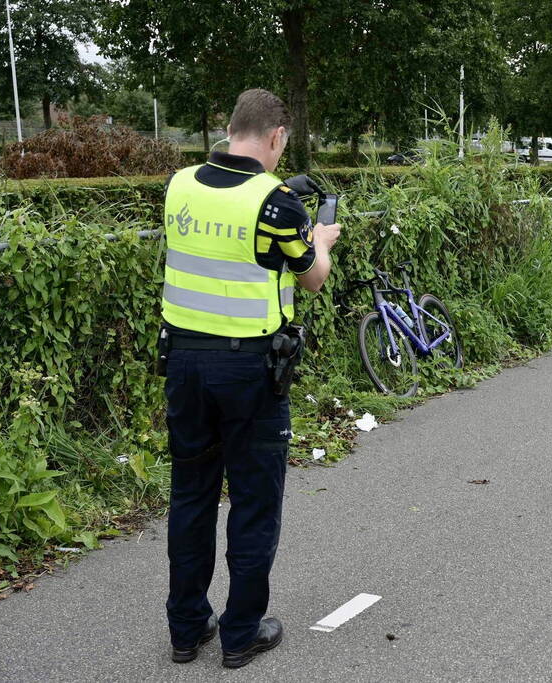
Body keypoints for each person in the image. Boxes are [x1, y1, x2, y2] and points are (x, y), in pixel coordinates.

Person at [159, 88, 341, 668]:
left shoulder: (179, 184)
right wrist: (320, 240)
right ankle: (241, 633)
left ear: (230, 127)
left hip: (183, 363)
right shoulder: (277, 203)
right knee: (254, 503)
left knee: (191, 495)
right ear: (276, 136)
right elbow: (312, 278)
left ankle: (187, 628)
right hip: (250, 370)